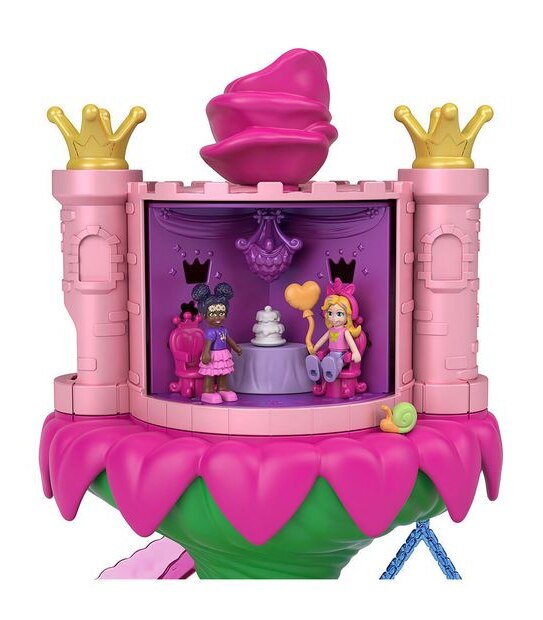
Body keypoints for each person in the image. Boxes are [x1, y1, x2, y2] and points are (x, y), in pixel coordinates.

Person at [192, 282, 242, 404]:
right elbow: (208, 344)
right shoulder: (210, 332)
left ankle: (223, 389)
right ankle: (207, 391)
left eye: (221, 313)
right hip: (213, 355)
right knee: (210, 374)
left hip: (223, 355)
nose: (218, 317)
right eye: (213, 314)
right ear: (205, 315)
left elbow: (228, 339)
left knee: (223, 372)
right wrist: (206, 354)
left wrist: (236, 348)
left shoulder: (223, 329)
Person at [305, 278, 362, 383]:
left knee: (337, 363)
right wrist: (315, 348)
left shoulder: (345, 331)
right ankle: (316, 369)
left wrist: (355, 353)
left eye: (339, 314)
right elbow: (322, 340)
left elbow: (351, 343)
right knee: (327, 360)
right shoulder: (331, 330)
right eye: (330, 313)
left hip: (342, 355)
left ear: (347, 315)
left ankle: (331, 373)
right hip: (331, 353)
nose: (334, 318)